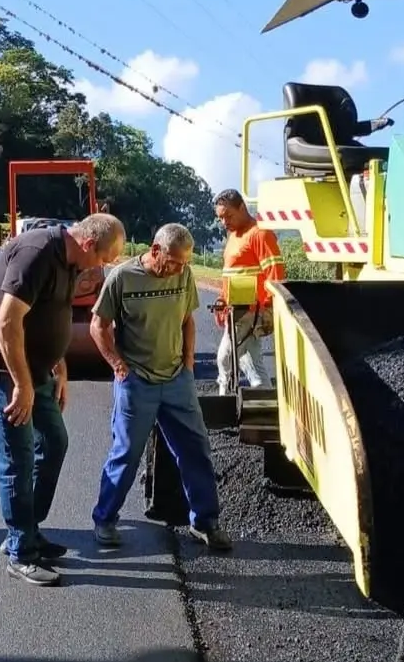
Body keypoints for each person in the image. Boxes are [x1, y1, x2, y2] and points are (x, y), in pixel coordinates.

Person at [0, 212, 126, 586]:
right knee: (16, 457)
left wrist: (59, 366)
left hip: (35, 369)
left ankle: (26, 530)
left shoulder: (71, 261)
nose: (100, 267)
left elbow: (52, 317)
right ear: (88, 243)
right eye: (103, 258)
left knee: (54, 442)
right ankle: (21, 552)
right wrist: (22, 386)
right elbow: (7, 323)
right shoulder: (36, 253)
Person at [90, 223, 232, 553]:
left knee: (196, 449)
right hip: (136, 381)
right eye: (175, 262)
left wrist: (188, 364)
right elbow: (99, 326)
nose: (181, 270)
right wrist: (117, 365)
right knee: (126, 453)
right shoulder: (123, 278)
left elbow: (187, 321)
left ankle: (205, 522)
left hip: (177, 380)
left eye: (186, 263)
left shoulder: (183, 275)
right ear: (156, 251)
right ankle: (105, 519)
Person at [211, 189, 286, 395]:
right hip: (235, 310)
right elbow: (230, 274)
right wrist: (222, 300)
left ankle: (223, 397)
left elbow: (275, 274)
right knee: (250, 361)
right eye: (220, 218)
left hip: (250, 312)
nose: (224, 222)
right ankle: (264, 395)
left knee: (225, 358)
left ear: (242, 207)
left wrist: (266, 308)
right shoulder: (233, 236)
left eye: (228, 216)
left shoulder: (260, 234)